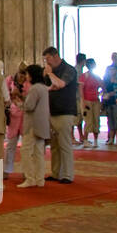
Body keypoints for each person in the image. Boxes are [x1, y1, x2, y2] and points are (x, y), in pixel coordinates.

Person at [42, 47, 78, 183]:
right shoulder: (49, 71)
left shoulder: (69, 70)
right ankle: (56, 173)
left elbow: (61, 84)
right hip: (52, 111)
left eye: (48, 59)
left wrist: (50, 75)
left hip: (65, 111)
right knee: (54, 145)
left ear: (56, 56)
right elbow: (47, 88)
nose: (47, 62)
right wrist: (49, 79)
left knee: (64, 144)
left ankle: (68, 175)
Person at [17, 66, 51, 188]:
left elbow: (29, 106)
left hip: (32, 124)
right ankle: (39, 179)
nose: (26, 77)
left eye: (27, 74)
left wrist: (20, 103)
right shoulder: (43, 88)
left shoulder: (34, 89)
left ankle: (30, 178)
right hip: (42, 124)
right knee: (38, 152)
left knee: (26, 151)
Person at [4, 67, 28, 174]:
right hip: (13, 115)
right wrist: (11, 95)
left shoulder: (29, 84)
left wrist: (20, 95)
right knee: (10, 144)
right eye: (20, 75)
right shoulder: (9, 81)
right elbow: (4, 96)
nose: (22, 77)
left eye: (24, 75)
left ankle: (26, 171)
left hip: (26, 116)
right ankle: (6, 170)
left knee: (26, 146)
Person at [79, 58, 102, 147]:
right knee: (88, 120)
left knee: (96, 120)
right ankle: (85, 140)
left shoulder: (97, 76)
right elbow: (81, 89)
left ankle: (96, 140)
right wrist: (83, 101)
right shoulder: (84, 76)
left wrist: (99, 94)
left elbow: (102, 86)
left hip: (96, 100)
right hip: (87, 101)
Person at [101, 51, 117, 144]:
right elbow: (104, 83)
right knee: (110, 120)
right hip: (109, 99)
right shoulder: (108, 69)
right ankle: (111, 138)